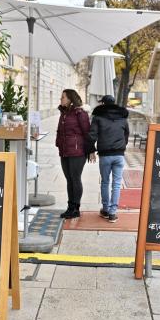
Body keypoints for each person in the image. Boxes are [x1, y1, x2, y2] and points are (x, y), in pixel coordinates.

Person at [88, 95, 129, 223]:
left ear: (103, 104)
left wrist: (91, 150)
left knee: (105, 182)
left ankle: (105, 209)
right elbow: (126, 135)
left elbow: (92, 135)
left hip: (105, 155)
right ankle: (113, 213)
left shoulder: (98, 117)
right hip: (119, 155)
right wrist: (121, 147)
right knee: (116, 184)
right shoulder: (122, 118)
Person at [55, 89, 91, 219]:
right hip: (65, 151)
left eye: (63, 97)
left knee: (75, 179)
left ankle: (75, 208)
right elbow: (60, 131)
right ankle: (70, 207)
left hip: (77, 152)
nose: (61, 99)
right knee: (69, 179)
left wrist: (91, 150)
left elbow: (88, 132)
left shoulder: (80, 113)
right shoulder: (64, 113)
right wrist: (58, 144)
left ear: (70, 99)